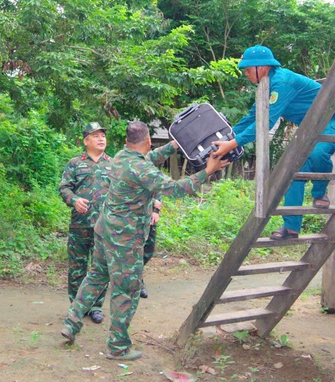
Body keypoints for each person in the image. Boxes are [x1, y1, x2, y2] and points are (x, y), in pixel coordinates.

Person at [60, 122, 229, 361]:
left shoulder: (122, 156)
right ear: (148, 141)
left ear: (128, 141)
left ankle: (71, 322)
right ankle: (118, 347)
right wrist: (207, 171)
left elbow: (148, 158)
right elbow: (175, 189)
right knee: (126, 290)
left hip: (104, 229)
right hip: (124, 239)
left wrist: (174, 145)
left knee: (96, 276)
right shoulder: (140, 169)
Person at [210, 45, 335, 240]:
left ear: (261, 68)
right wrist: (227, 137)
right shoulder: (266, 86)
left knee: (317, 153)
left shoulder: (282, 83)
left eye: (247, 69)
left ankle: (319, 192)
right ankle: (291, 227)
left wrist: (234, 143)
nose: (245, 74)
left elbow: (265, 122)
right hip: (312, 129)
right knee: (294, 172)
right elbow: (253, 117)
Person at [58, 122, 112, 324]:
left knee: (100, 267)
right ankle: (77, 306)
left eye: (103, 135)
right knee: (77, 267)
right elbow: (64, 188)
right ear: (86, 141)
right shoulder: (75, 164)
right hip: (80, 225)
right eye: (96, 136)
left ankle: (96, 306)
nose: (101, 139)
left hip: (104, 226)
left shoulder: (114, 164)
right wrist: (74, 200)